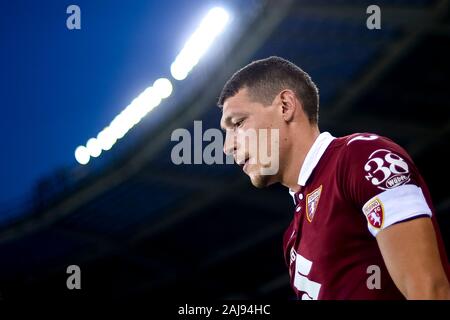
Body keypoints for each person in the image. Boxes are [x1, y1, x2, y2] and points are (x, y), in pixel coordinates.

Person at [217, 56, 450, 299]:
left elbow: (429, 290)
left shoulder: (362, 157)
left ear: (285, 106)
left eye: (238, 123)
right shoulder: (292, 238)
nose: (227, 146)